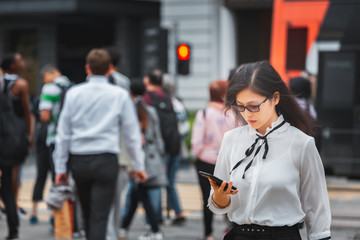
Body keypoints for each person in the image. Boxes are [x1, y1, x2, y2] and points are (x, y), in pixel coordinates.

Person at [208, 61, 331, 240]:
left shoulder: (301, 143)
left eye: (253, 105)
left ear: (275, 98)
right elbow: (218, 204)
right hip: (239, 235)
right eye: (240, 106)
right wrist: (220, 197)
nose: (247, 114)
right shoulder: (231, 139)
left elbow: (317, 209)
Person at [53, 48, 147, 240]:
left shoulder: (73, 93)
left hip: (80, 160)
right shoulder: (119, 95)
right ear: (109, 70)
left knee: (86, 214)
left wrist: (60, 167)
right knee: (100, 215)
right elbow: (131, 134)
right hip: (106, 159)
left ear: (87, 68)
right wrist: (138, 165)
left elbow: (63, 134)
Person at [191, 80, 241, 240]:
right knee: (228, 195)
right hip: (228, 162)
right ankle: (229, 228)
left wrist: (197, 154)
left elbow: (196, 141)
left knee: (207, 198)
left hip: (206, 161)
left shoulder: (204, 114)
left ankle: (208, 234)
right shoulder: (233, 114)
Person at [120, 81, 167, 240]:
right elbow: (158, 138)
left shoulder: (129, 110)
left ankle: (153, 230)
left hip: (136, 157)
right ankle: (125, 227)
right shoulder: (151, 111)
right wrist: (160, 158)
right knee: (138, 194)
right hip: (151, 156)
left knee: (140, 193)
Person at [29, 65, 71, 224]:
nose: (43, 80)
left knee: (41, 175)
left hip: (50, 138)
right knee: (60, 177)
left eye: (43, 76)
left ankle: (34, 212)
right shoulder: (72, 87)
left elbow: (45, 116)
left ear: (49, 73)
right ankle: (58, 217)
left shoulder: (49, 89)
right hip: (67, 139)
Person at [143, 68, 186, 225]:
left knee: (154, 183)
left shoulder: (147, 99)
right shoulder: (170, 100)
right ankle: (178, 212)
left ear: (148, 81)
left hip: (158, 149)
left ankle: (154, 218)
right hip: (174, 147)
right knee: (169, 183)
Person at [0, 52, 34, 240]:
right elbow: (27, 111)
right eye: (20, 60)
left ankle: (12, 223)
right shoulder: (21, 84)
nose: (23, 63)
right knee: (9, 182)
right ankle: (13, 227)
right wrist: (29, 135)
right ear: (12, 65)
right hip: (12, 140)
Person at [104, 47, 133, 240]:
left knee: (104, 200)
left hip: (102, 149)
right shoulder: (124, 83)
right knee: (115, 198)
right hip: (120, 150)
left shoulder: (85, 87)